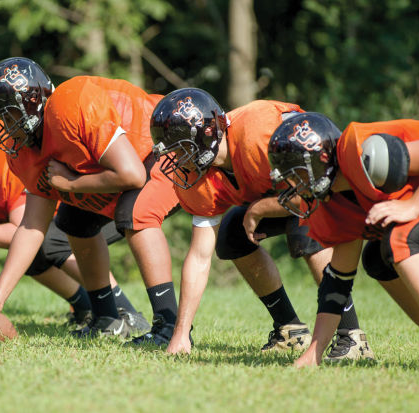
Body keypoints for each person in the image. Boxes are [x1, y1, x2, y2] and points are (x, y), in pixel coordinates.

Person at [150, 88, 371, 361]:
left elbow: (312, 190)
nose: (177, 160)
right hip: (287, 190)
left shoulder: (258, 133)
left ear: (205, 133)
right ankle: (289, 329)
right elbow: (198, 256)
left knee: (305, 229)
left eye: (180, 149)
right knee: (231, 234)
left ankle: (352, 337)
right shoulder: (199, 180)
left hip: (323, 184)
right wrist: (181, 333)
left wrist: (258, 208)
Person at [0, 57, 183, 345]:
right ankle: (107, 318)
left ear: (32, 103)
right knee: (73, 222)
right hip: (125, 167)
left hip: (165, 146)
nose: (3, 125)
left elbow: (132, 174)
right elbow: (31, 226)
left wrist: (71, 183)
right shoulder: (21, 151)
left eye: (7, 115)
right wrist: (0, 295)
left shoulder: (72, 106)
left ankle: (169, 325)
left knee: (136, 211)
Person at [0, 109, 149, 333]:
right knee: (27, 258)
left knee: (46, 240)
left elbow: (22, 230)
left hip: (99, 207)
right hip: (64, 220)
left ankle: (124, 311)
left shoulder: (2, 168)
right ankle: (85, 307)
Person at [268, 112, 419, 367]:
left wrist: (414, 206)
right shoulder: (335, 201)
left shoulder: (365, 152)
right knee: (376, 258)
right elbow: (337, 282)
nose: (293, 186)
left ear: (320, 161)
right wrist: (314, 354)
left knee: (401, 238)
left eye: (296, 175)